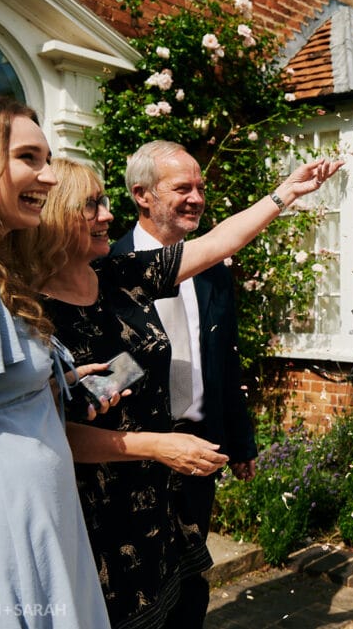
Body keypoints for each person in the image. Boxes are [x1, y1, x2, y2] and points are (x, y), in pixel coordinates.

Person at [28, 154, 341, 629]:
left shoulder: (118, 275)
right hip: (101, 503)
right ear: (55, 216)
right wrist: (155, 444)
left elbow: (217, 243)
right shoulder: (32, 311)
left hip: (162, 490)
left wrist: (286, 193)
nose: (107, 215)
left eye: (105, 202)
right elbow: (47, 430)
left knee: (184, 606)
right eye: (92, 205)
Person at [0, 91, 111, 627]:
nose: (50, 177)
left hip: (36, 514)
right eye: (27, 158)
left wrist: (51, 384)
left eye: (47, 159)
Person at [111, 140, 258, 627]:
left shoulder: (212, 269)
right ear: (142, 195)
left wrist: (240, 441)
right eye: (182, 188)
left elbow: (225, 359)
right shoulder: (109, 266)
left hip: (199, 445)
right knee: (138, 585)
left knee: (192, 579)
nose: (197, 198)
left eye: (200, 187)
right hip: (133, 454)